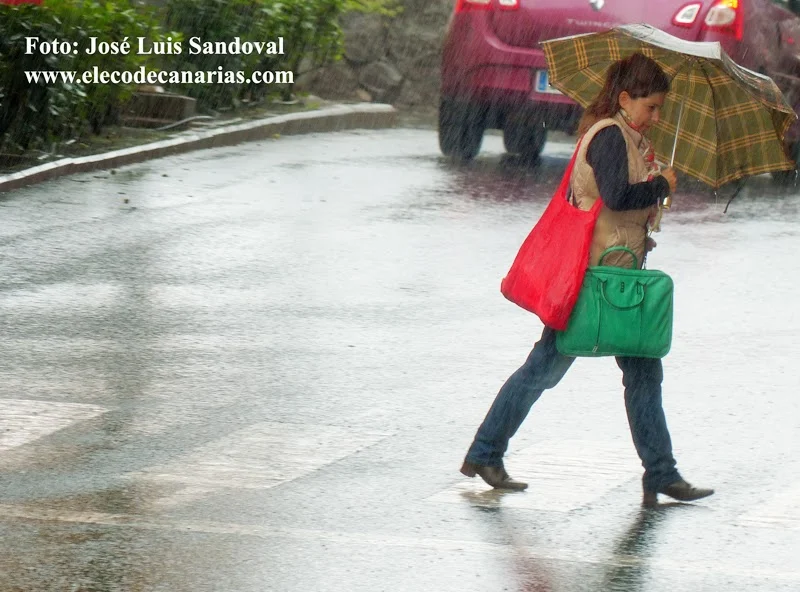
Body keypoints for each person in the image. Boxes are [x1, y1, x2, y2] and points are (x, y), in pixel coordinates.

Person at [460, 53, 714, 506]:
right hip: (590, 283)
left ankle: (660, 471)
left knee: (642, 375)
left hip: (617, 281)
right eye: (650, 107)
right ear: (624, 98)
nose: (656, 117)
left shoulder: (629, 140)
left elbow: (619, 205)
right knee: (544, 370)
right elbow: (616, 196)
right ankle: (485, 451)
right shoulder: (610, 138)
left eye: (660, 109)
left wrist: (650, 208)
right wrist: (661, 187)